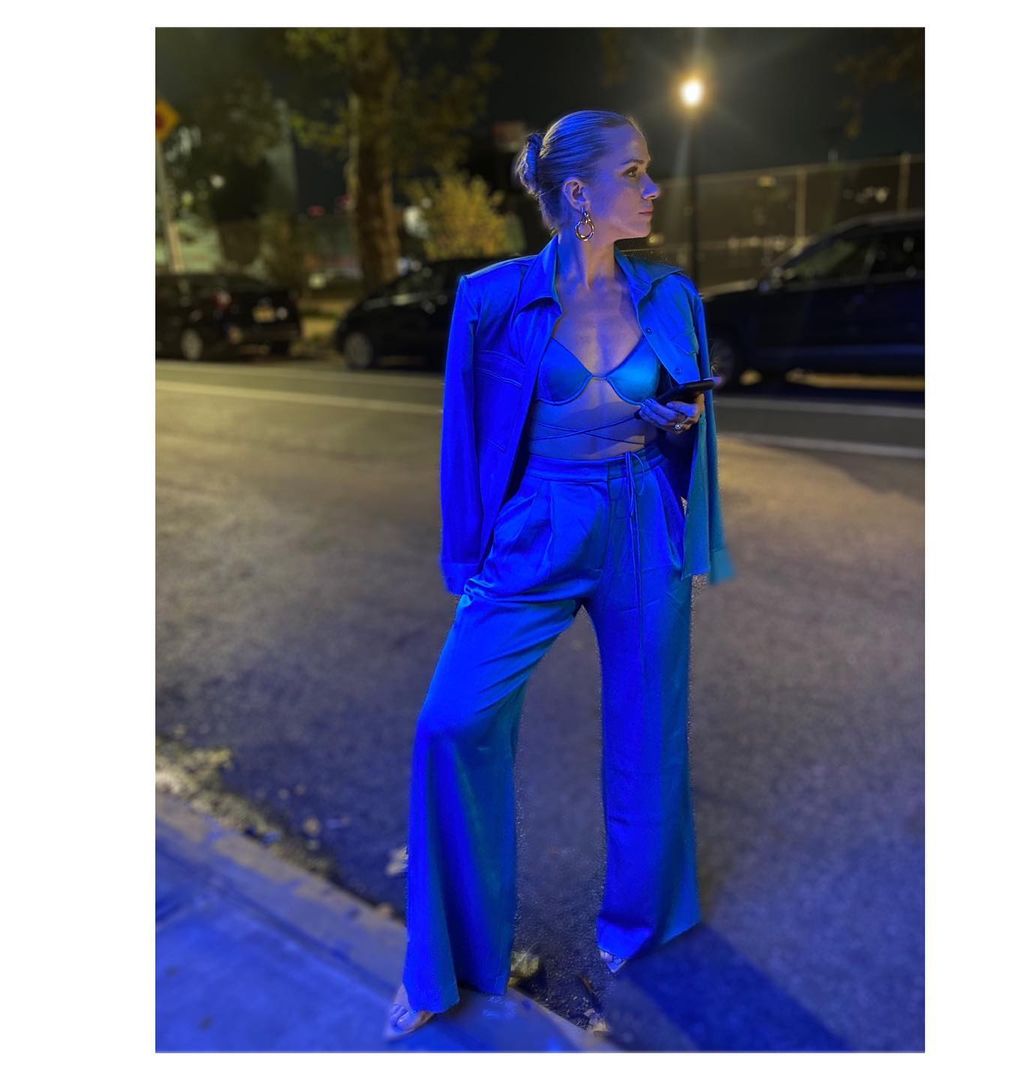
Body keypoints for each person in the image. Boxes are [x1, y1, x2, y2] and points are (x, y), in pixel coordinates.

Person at [384, 109, 735, 1041]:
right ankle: (444, 964)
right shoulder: (491, 299)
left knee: (649, 732)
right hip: (537, 525)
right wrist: (469, 562)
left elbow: (688, 420)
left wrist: (676, 425)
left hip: (641, 519)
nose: (652, 188)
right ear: (578, 192)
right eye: (635, 172)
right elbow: (465, 441)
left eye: (649, 170)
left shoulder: (672, 296)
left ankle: (642, 920)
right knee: (452, 723)